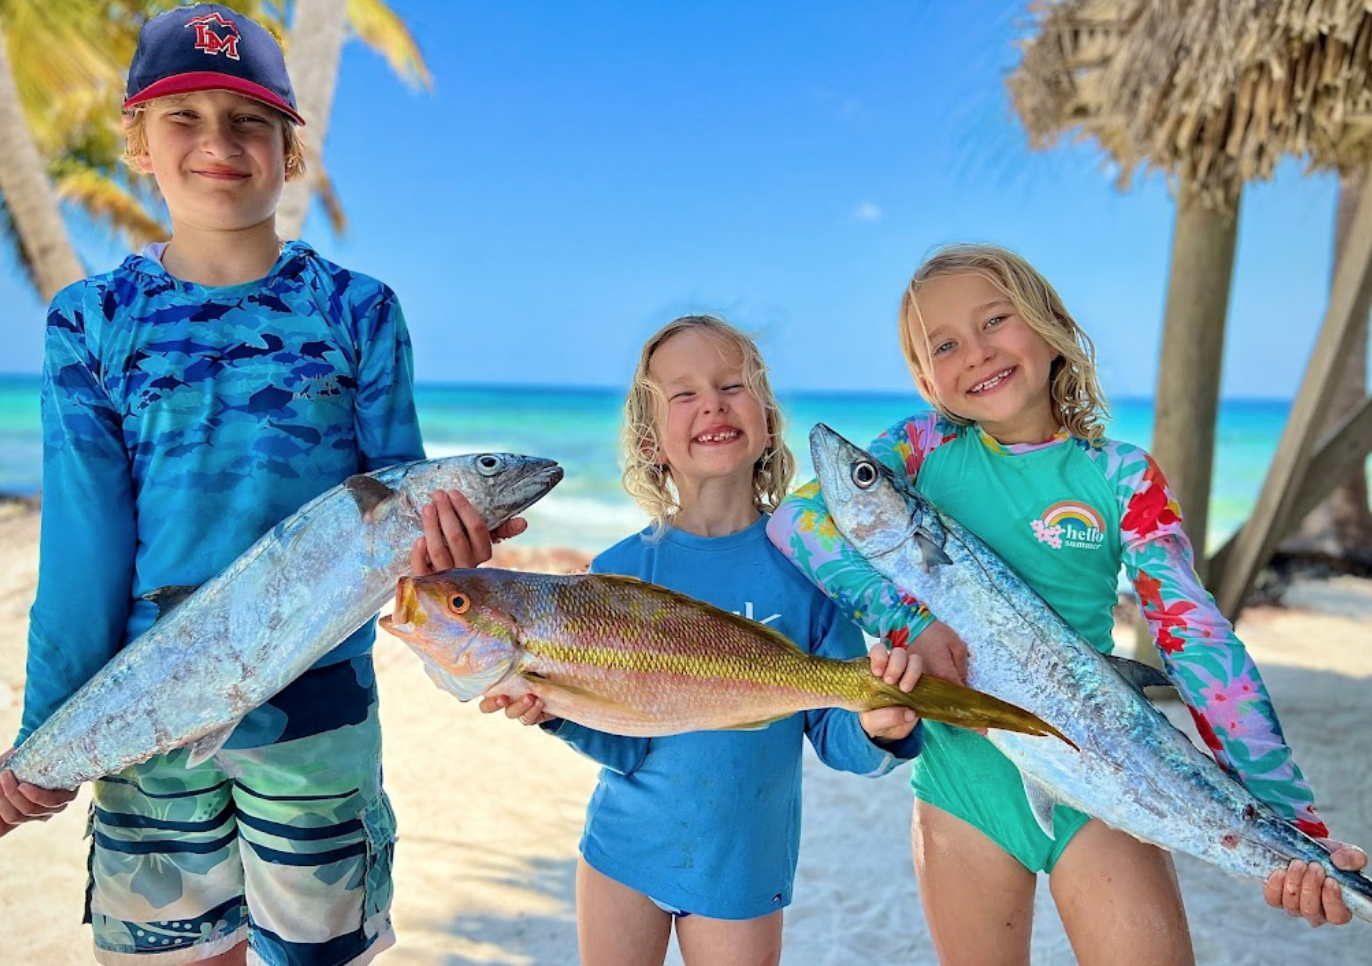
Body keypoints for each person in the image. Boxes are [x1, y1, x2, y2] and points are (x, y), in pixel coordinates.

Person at [0, 5, 521, 964]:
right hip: (143, 713)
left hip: (319, 714)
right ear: (139, 150)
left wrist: (457, 573)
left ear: (291, 149)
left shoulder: (359, 311)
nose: (217, 144)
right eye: (182, 119)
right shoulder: (89, 320)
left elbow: (396, 529)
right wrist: (42, 742)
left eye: (248, 120)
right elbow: (84, 547)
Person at [765, 243, 1369, 965]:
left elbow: (1199, 643)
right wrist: (911, 625)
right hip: (963, 790)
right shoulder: (920, 452)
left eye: (996, 320)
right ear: (927, 379)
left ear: (1052, 328)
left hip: (1111, 781)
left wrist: (1290, 816)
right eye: (946, 345)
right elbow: (796, 520)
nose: (978, 352)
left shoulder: (1122, 476)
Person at [478, 315, 923, 966]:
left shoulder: (809, 568)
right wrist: (553, 711)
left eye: (732, 385)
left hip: (744, 869)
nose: (711, 402)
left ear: (767, 419)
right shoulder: (621, 572)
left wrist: (881, 729)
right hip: (622, 853)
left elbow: (835, 735)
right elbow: (623, 741)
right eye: (682, 394)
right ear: (651, 440)